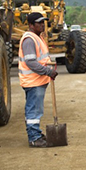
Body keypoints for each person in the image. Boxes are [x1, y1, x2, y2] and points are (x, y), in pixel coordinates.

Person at [19, 12, 58, 148]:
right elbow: (31, 63)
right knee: (33, 111)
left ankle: (36, 133)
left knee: (36, 109)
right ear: (31, 25)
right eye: (39, 23)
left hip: (38, 81)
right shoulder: (29, 39)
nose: (42, 25)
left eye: (43, 22)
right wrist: (48, 71)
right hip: (33, 81)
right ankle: (34, 138)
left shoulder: (37, 37)